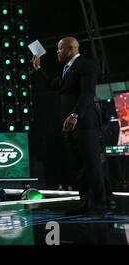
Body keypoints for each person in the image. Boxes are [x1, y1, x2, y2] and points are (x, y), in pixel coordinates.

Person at [32, 36, 111, 213]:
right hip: (72, 127)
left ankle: (99, 202)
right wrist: (38, 70)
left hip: (86, 124)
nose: (57, 52)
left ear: (71, 49)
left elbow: (88, 93)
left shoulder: (86, 64)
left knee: (92, 164)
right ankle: (86, 202)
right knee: (80, 166)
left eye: (60, 49)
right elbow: (55, 85)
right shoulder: (67, 69)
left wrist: (75, 114)